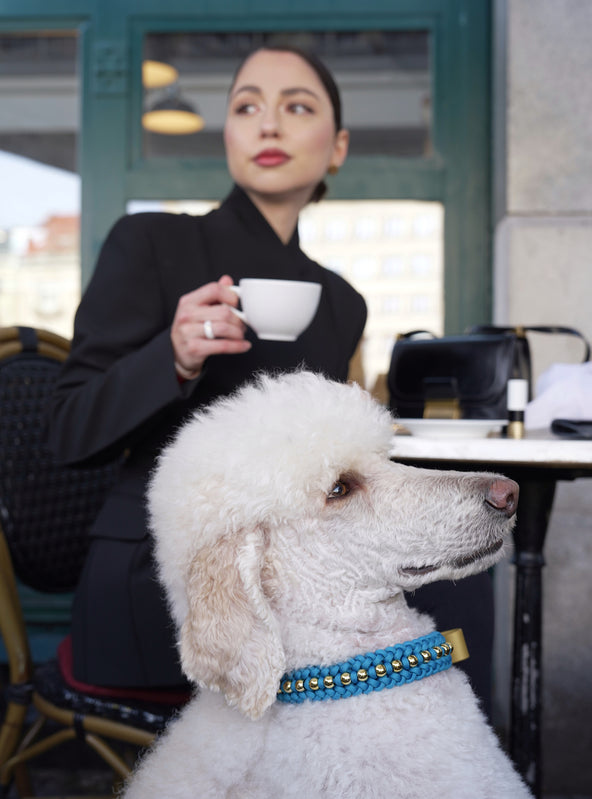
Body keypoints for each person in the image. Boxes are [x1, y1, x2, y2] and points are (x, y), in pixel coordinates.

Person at [47, 44, 366, 690]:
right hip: (158, 575)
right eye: (246, 107)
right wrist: (172, 356)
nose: (267, 125)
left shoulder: (341, 303)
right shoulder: (152, 243)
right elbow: (67, 433)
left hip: (291, 581)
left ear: (337, 147)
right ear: (227, 135)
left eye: (296, 107)